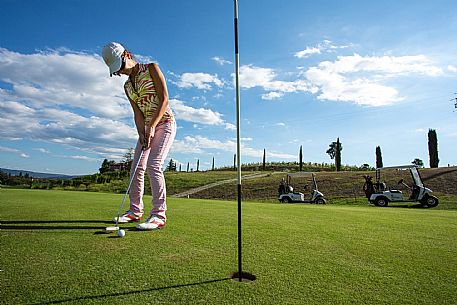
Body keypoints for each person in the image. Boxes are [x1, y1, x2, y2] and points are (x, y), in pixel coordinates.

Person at [102, 42, 176, 230]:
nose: (119, 72)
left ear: (127, 55)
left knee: (153, 165)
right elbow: (137, 113)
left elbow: (164, 98)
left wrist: (151, 125)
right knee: (136, 167)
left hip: (165, 123)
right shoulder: (127, 87)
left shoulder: (151, 68)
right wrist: (142, 132)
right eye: (115, 70)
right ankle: (135, 211)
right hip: (146, 128)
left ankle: (159, 215)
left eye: (119, 67)